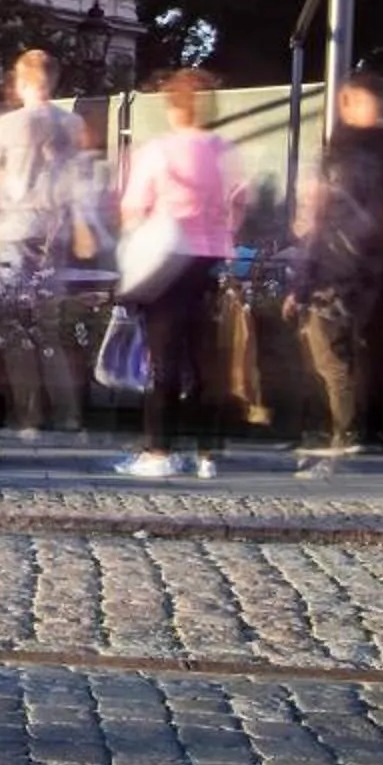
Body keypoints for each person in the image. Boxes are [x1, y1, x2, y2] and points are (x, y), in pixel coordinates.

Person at [114, 68, 246, 480]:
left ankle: (159, 450)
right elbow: (238, 205)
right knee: (206, 361)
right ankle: (207, 451)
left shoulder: (159, 151)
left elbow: (132, 208)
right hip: (209, 262)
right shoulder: (225, 151)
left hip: (167, 262)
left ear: (173, 107)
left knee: (164, 361)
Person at [286, 77, 383, 456]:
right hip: (374, 267)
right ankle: (361, 429)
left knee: (329, 358)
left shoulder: (342, 155)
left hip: (335, 269)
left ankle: (341, 430)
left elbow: (320, 220)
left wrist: (301, 284)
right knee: (362, 350)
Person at [0, 49, 83, 434]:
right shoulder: (71, 124)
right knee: (48, 327)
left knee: (12, 327)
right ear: (53, 81)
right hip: (53, 231)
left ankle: (29, 414)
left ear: (21, 82)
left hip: (11, 230)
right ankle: (68, 413)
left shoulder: (6, 125)